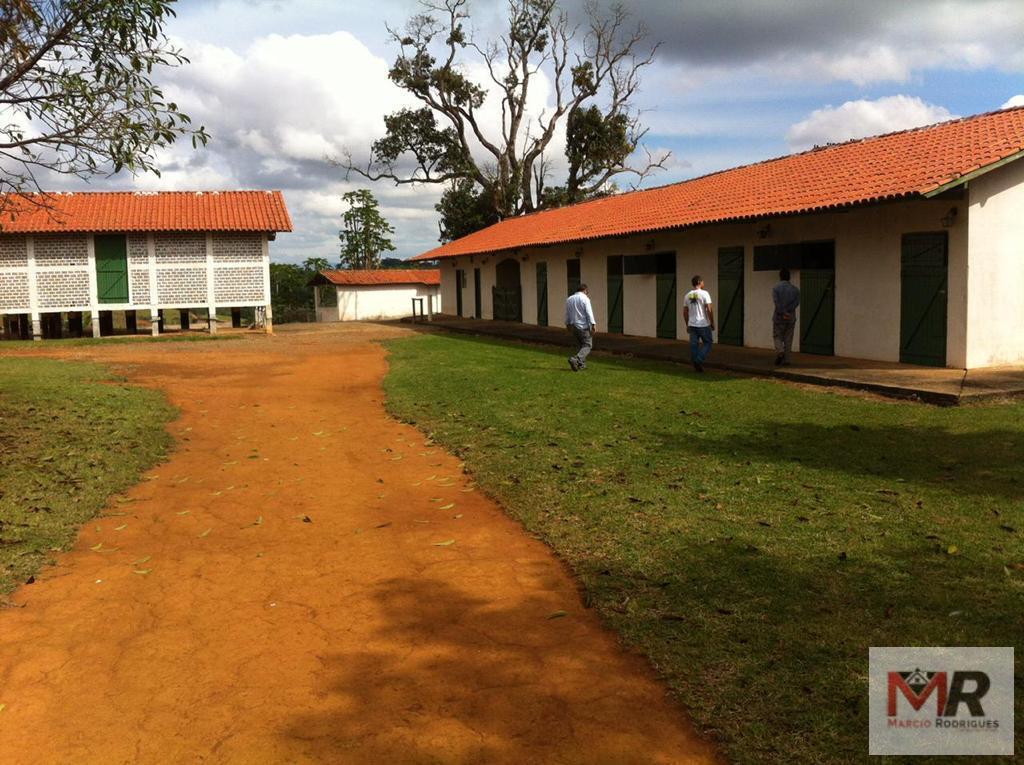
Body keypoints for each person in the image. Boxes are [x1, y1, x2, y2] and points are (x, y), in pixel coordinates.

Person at [683, 275, 714, 372]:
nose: (704, 283)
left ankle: (696, 365)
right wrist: (712, 322)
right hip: (703, 324)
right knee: (708, 343)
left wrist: (687, 324)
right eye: (703, 282)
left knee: (694, 345)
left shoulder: (687, 295)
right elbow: (709, 309)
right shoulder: (705, 293)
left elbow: (684, 312)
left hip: (692, 324)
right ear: (700, 282)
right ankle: (698, 360)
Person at [772, 268, 800, 366]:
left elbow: (777, 303)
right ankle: (787, 359)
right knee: (788, 338)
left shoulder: (776, 288)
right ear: (789, 277)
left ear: (780, 276)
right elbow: (796, 303)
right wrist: (788, 312)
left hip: (779, 317)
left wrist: (783, 312)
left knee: (777, 336)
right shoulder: (795, 290)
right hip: (791, 317)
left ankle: (780, 351)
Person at [565, 283, 596, 371]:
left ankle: (581, 365)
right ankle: (576, 359)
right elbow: (589, 313)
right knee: (587, 345)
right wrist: (593, 324)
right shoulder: (585, 299)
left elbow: (567, 313)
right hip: (583, 326)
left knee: (580, 346)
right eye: (587, 292)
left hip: (574, 326)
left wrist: (567, 324)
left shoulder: (569, 299)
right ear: (585, 290)